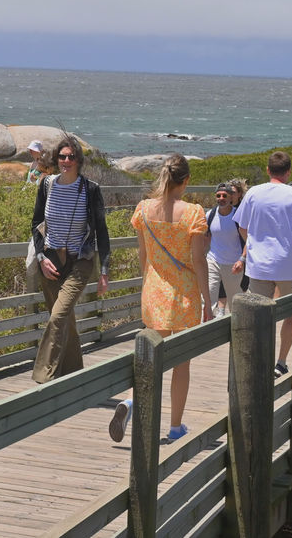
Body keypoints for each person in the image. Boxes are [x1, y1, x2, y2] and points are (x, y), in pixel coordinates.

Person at [109, 154, 213, 444]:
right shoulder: (193, 213)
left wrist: (148, 284)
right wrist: (207, 300)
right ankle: (175, 427)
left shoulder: (143, 210)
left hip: (153, 291)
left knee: (149, 359)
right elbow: (198, 260)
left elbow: (143, 255)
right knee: (181, 363)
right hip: (184, 296)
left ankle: (130, 402)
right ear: (187, 180)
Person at [31, 135, 110, 383]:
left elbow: (102, 232)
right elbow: (36, 224)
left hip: (80, 261)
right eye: (62, 156)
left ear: (78, 160)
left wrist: (105, 270)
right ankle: (75, 376)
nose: (66, 160)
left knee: (57, 316)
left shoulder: (90, 190)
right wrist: (42, 257)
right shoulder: (46, 185)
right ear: (56, 159)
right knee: (67, 320)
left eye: (71, 157)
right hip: (51, 262)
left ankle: (43, 378)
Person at [232, 151, 292, 378]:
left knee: (259, 314)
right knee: (289, 314)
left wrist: (251, 244)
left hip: (258, 265)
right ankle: (280, 362)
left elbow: (241, 226)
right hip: (287, 265)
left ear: (268, 170)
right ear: (288, 172)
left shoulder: (254, 194)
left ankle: (261, 359)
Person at [206, 183, 245, 316]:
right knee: (209, 294)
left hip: (234, 264)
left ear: (231, 198)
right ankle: (205, 328)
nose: (221, 198)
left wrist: (242, 259)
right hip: (213, 260)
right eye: (218, 195)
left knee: (235, 301)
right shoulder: (210, 215)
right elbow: (205, 237)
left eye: (224, 195)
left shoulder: (239, 216)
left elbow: (249, 240)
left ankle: (237, 329)